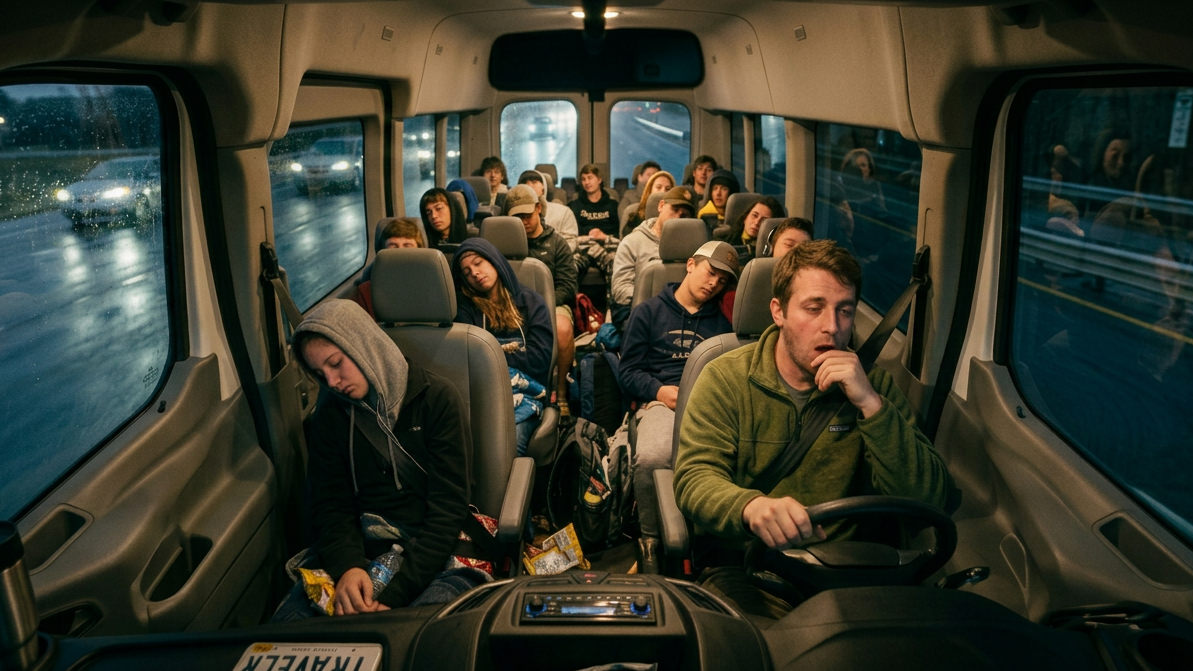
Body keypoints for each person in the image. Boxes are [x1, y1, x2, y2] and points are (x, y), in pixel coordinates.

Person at [673, 239, 953, 618]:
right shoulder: (727, 378)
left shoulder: (875, 387)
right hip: (755, 568)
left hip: (853, 572)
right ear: (779, 311)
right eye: (814, 308)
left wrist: (869, 404)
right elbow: (695, 477)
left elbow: (930, 500)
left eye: (845, 311)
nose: (832, 327)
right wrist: (751, 506)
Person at [272, 299, 483, 619]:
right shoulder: (331, 414)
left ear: (364, 348)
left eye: (336, 363)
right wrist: (347, 568)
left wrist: (398, 594)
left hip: (435, 553)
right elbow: (331, 505)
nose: (331, 382)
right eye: (319, 372)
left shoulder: (438, 399)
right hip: (361, 547)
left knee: (423, 635)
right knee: (289, 631)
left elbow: (447, 511)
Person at [619, 241, 738, 572]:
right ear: (690, 265)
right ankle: (651, 538)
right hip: (663, 401)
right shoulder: (648, 312)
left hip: (708, 402)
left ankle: (711, 543)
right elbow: (627, 372)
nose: (713, 283)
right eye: (710, 272)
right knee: (654, 456)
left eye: (722, 280)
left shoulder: (722, 322)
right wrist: (659, 392)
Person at [451, 238, 554, 455]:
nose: (475, 273)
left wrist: (490, 357)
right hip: (484, 394)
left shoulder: (531, 302)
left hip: (527, 395)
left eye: (478, 263)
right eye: (467, 272)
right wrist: (512, 356)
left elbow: (540, 359)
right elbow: (468, 362)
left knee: (508, 444)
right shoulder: (466, 310)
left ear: (494, 261)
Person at [505, 183, 579, 408]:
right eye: (518, 217)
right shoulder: (503, 245)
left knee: (563, 329)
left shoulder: (557, 243)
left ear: (538, 208)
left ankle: (561, 392)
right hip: (509, 305)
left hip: (550, 304)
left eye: (527, 215)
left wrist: (539, 306)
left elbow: (568, 285)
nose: (524, 222)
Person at [610, 185, 697, 326]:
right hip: (642, 310)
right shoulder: (632, 242)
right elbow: (620, 289)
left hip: (685, 311)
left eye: (684, 215)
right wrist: (660, 303)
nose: (677, 217)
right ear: (661, 206)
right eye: (674, 210)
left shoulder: (692, 246)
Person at [352, 217, 425, 317]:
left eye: (407, 245)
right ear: (381, 251)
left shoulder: (435, 284)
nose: (400, 252)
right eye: (393, 246)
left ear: (421, 251)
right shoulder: (367, 290)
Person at [518, 169, 579, 251]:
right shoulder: (513, 214)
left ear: (543, 187)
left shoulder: (563, 212)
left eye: (534, 182)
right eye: (525, 184)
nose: (529, 186)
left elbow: (570, 242)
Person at [569, 163, 621, 240]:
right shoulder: (574, 206)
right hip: (583, 244)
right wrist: (590, 233)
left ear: (599, 180)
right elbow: (572, 231)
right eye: (583, 179)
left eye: (590, 178)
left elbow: (618, 231)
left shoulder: (613, 205)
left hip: (608, 244)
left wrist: (602, 235)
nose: (586, 182)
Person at [622, 170, 675, 236]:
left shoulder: (677, 216)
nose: (663, 192)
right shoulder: (634, 216)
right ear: (650, 190)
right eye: (658, 187)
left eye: (668, 189)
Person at [838, 148, 886, 220]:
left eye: (863, 165)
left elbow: (882, 212)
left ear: (869, 168)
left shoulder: (875, 186)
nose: (860, 170)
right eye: (856, 167)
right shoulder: (842, 186)